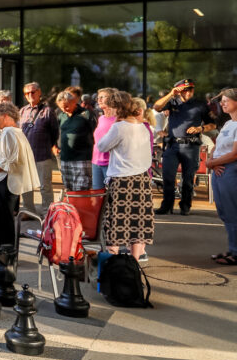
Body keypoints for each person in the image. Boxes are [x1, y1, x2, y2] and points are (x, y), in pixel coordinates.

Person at [0, 102, 39, 293]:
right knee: (2, 221)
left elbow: (8, 162)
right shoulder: (14, 133)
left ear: (5, 115)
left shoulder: (10, 132)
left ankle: (0, 259)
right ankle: (4, 257)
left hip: (1, 184)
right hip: (4, 184)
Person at [96, 91, 154, 261]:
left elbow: (102, 146)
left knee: (115, 222)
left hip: (122, 180)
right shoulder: (143, 126)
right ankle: (134, 262)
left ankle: (112, 261)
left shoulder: (118, 127)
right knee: (138, 222)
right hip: (142, 179)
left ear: (115, 108)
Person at [153, 79, 216, 215]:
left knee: (188, 179)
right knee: (168, 177)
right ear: (179, 91)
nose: (188, 92)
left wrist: (200, 128)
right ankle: (166, 205)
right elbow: (156, 107)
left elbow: (213, 125)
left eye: (191, 90)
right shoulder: (172, 102)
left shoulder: (200, 105)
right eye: (185, 90)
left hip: (191, 146)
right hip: (172, 145)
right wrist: (171, 94)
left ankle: (185, 205)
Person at [205, 88, 237, 265]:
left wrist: (213, 163)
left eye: (226, 100)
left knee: (233, 213)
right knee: (224, 213)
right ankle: (232, 249)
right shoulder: (228, 124)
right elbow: (216, 147)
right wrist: (212, 161)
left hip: (231, 170)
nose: (222, 104)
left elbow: (235, 154)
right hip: (219, 170)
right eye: (221, 101)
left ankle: (236, 253)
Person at [19, 82, 59, 216]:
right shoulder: (22, 111)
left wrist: (49, 145)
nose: (30, 95)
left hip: (42, 155)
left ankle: (48, 213)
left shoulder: (47, 111)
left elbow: (55, 132)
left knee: (44, 187)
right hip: (25, 156)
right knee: (26, 186)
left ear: (39, 92)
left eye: (33, 92)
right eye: (27, 93)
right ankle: (29, 212)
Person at [55, 90, 96, 192]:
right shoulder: (61, 115)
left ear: (74, 102)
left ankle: (81, 208)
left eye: (66, 106)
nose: (64, 109)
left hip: (82, 159)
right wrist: (54, 146)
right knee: (69, 190)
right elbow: (57, 132)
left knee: (81, 190)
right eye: (61, 107)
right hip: (65, 159)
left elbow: (96, 133)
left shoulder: (86, 114)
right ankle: (72, 208)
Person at [91, 88, 118, 191]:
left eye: (103, 97)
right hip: (96, 162)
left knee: (113, 195)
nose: (99, 100)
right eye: (98, 97)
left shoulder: (118, 119)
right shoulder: (101, 118)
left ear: (112, 99)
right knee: (97, 195)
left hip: (111, 163)